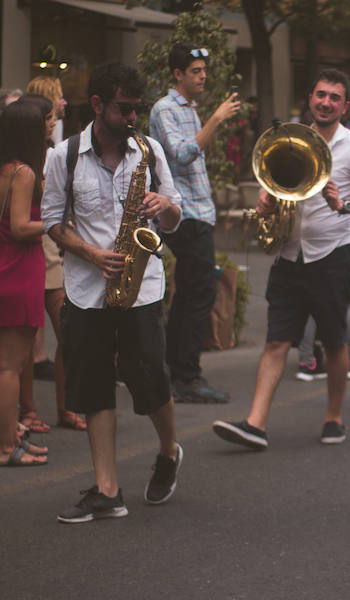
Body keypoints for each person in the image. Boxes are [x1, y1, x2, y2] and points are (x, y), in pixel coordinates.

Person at [212, 69, 350, 448]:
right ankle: (255, 424)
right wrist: (266, 200)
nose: (326, 102)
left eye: (334, 97)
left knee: (335, 342)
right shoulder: (288, 139)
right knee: (276, 342)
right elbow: (274, 183)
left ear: (345, 105)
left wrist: (344, 206)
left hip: (332, 257)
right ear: (309, 98)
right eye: (320, 94)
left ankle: (334, 416)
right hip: (289, 255)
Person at [43, 63, 184, 521]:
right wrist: (89, 253)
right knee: (95, 384)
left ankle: (168, 450)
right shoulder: (62, 157)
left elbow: (176, 214)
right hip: (88, 288)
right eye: (124, 109)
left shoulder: (149, 150)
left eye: (136, 109)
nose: (131, 118)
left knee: (150, 377)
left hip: (141, 286)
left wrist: (166, 206)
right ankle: (107, 490)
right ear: (99, 105)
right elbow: (52, 223)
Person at [149, 43, 240, 404]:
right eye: (196, 71)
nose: (203, 77)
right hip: (183, 213)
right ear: (178, 75)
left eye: (204, 70)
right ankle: (185, 377)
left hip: (198, 210)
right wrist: (217, 119)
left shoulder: (188, 109)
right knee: (197, 293)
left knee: (193, 292)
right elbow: (184, 155)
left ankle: (178, 372)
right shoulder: (165, 109)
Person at [15, 93, 86, 432]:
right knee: (25, 342)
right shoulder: (22, 164)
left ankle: (66, 407)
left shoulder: (50, 155)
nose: (54, 120)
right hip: (33, 249)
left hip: (52, 253)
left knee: (66, 332)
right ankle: (28, 411)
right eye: (47, 117)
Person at [0, 100, 50, 466]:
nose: (50, 127)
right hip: (19, 270)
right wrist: (58, 222)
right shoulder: (24, 173)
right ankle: (7, 447)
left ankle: (8, 436)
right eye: (44, 123)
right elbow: (19, 227)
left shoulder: (5, 168)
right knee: (10, 366)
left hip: (7, 267)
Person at [25, 76, 68, 386]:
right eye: (58, 100)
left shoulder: (50, 148)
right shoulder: (40, 158)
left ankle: (57, 407)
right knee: (54, 325)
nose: (64, 103)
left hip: (46, 244)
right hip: (40, 244)